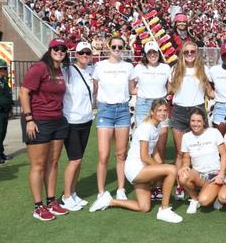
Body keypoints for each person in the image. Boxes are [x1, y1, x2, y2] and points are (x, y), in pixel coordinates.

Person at [89, 99, 183, 223]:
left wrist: (160, 166)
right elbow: (144, 156)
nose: (163, 113)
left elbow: (154, 150)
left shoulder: (157, 126)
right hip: (135, 169)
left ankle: (109, 201)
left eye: (165, 110)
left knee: (144, 207)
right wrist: (162, 171)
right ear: (152, 112)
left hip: (142, 168)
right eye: (159, 110)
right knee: (171, 169)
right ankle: (164, 210)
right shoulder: (146, 128)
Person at [20, 38, 70, 221]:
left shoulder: (59, 70)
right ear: (50, 50)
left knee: (53, 162)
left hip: (57, 120)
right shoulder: (39, 67)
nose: (59, 51)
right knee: (38, 165)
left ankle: (51, 201)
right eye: (56, 48)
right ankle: (38, 206)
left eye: (63, 49)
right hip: (39, 120)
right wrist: (29, 119)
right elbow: (24, 92)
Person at [91, 37, 134, 203]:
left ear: (124, 48)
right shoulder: (99, 66)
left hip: (123, 110)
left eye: (120, 46)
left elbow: (132, 89)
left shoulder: (129, 66)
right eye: (114, 46)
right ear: (109, 47)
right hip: (105, 111)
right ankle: (101, 192)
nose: (117, 49)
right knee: (103, 155)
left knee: (121, 153)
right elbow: (93, 89)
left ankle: (121, 189)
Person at [169, 41, 213, 200]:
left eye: (192, 51)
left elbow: (210, 92)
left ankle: (200, 182)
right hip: (180, 111)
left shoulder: (204, 70)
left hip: (198, 110)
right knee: (181, 152)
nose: (189, 54)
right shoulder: (175, 70)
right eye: (186, 52)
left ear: (197, 53)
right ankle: (180, 185)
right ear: (182, 53)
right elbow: (168, 90)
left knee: (200, 149)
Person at [130, 41, 171, 200]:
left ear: (158, 53)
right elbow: (131, 88)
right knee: (145, 147)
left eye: (155, 52)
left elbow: (169, 87)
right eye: (149, 53)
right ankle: (145, 181)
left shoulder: (165, 68)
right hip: (144, 105)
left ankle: (158, 185)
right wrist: (141, 93)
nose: (152, 55)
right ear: (145, 55)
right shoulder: (138, 68)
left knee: (160, 147)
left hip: (160, 104)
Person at [60, 42, 95, 211]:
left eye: (88, 52)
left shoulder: (91, 71)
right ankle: (66, 196)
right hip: (71, 121)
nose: (85, 55)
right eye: (82, 52)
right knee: (75, 160)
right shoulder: (67, 71)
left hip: (86, 119)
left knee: (79, 159)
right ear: (76, 54)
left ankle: (73, 193)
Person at [178, 108, 226, 214]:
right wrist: (185, 166)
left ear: (204, 121)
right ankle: (194, 199)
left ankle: (216, 191)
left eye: (199, 121)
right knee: (183, 176)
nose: (196, 124)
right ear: (189, 121)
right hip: (198, 175)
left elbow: (224, 155)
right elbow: (186, 157)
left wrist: (221, 174)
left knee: (204, 201)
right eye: (193, 121)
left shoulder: (214, 132)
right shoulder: (186, 137)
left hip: (214, 175)